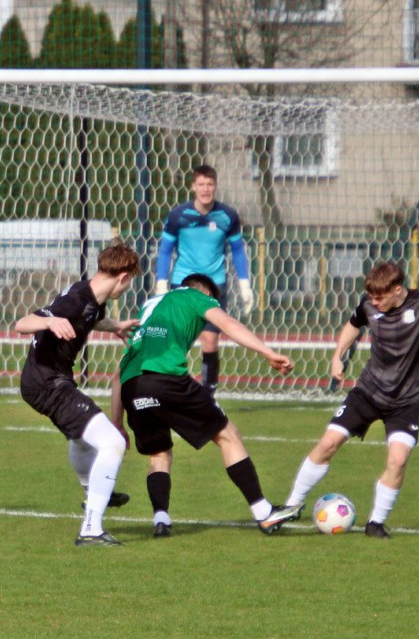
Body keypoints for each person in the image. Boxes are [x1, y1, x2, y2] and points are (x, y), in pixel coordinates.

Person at [275, 262, 419, 539]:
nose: (374, 301)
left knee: (397, 460)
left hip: (406, 401)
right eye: (371, 296)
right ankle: (292, 504)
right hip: (368, 392)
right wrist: (337, 355)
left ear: (398, 290)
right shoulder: (369, 304)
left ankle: (376, 523)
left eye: (379, 297)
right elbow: (353, 325)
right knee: (328, 442)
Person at [112, 273, 298, 538]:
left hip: (133, 386)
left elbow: (118, 372)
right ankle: (263, 513)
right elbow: (228, 323)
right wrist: (268, 353)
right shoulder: (196, 297)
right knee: (228, 435)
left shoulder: (150, 306)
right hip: (166, 378)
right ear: (207, 296)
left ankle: (161, 520)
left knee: (159, 452)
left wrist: (118, 423)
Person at [16, 241, 142, 547]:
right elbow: (22, 323)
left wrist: (115, 326)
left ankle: (93, 490)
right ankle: (90, 529)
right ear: (123, 277)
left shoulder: (92, 296)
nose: (127, 289)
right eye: (130, 283)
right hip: (48, 383)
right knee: (112, 442)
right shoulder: (74, 300)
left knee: (81, 437)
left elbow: (90, 317)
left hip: (47, 380)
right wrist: (49, 320)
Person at [156, 164, 254, 394]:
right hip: (183, 283)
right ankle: (170, 390)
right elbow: (165, 250)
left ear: (215, 186)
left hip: (214, 285)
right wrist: (161, 281)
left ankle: (208, 395)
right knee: (177, 341)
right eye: (201, 184)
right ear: (193, 186)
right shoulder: (178, 215)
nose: (205, 189)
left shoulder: (227, 216)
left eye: (210, 184)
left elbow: (238, 250)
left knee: (210, 340)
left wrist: (244, 284)